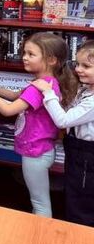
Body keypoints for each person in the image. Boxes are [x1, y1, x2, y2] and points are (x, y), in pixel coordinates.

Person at [0, 32, 76, 217]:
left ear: (51, 60)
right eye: (24, 53)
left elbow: (8, 109)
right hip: (40, 149)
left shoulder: (39, 87)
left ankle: (40, 232)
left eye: (31, 54)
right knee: (38, 200)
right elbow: (14, 96)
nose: (24, 57)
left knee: (39, 202)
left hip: (36, 152)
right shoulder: (44, 83)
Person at [33, 40, 94, 225]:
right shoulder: (85, 90)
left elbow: (63, 120)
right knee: (73, 195)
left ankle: (80, 237)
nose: (78, 69)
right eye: (77, 64)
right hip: (77, 151)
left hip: (88, 156)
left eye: (86, 66)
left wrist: (48, 93)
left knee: (82, 203)